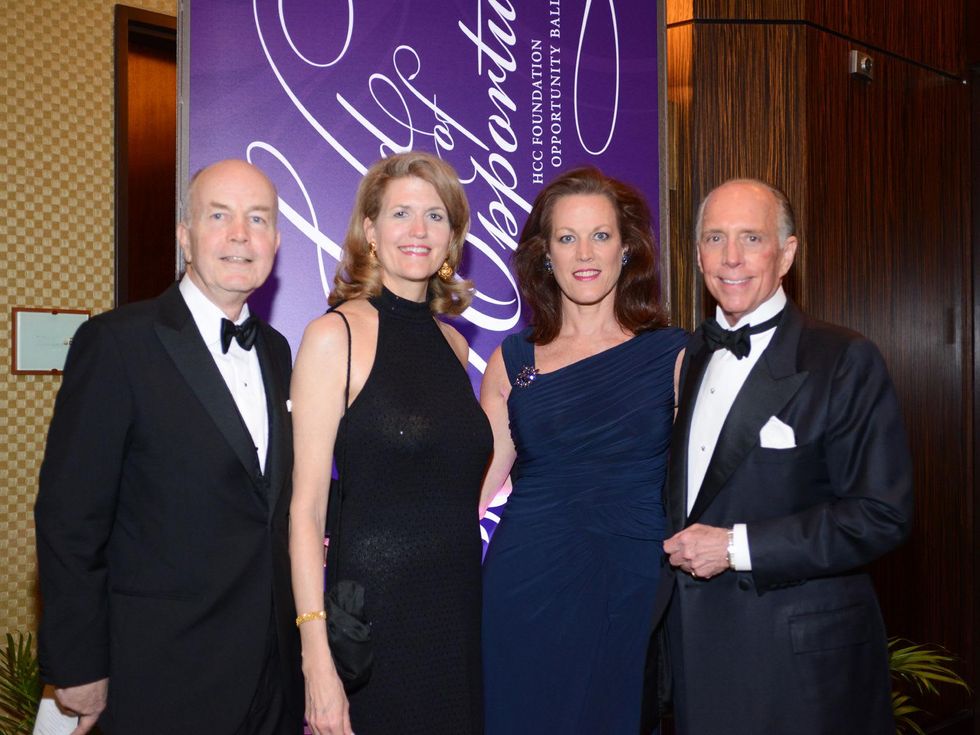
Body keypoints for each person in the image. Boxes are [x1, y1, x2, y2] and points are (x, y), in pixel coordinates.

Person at [34, 159, 304, 733]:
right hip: (162, 675)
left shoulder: (279, 352)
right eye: (219, 216)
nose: (240, 234)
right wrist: (80, 666)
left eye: (258, 219)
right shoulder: (115, 344)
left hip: (272, 678)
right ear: (185, 235)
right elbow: (70, 517)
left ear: (277, 242)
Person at [647, 179, 913, 734]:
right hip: (697, 657)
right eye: (715, 239)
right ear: (697, 254)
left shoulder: (843, 358)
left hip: (799, 667)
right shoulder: (687, 356)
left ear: (787, 252)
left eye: (752, 238)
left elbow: (880, 514)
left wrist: (735, 546)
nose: (732, 258)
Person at [289, 151, 492, 735]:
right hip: (372, 630)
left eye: (435, 216)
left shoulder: (454, 345)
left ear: (453, 237)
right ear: (370, 231)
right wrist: (317, 660)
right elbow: (305, 510)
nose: (418, 230)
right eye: (401, 213)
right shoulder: (335, 335)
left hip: (454, 618)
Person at [480, 167, 687, 734]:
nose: (584, 253)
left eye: (600, 235)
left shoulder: (675, 356)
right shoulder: (512, 361)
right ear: (544, 254)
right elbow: (476, 482)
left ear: (628, 248)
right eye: (566, 238)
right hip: (525, 579)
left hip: (631, 578)